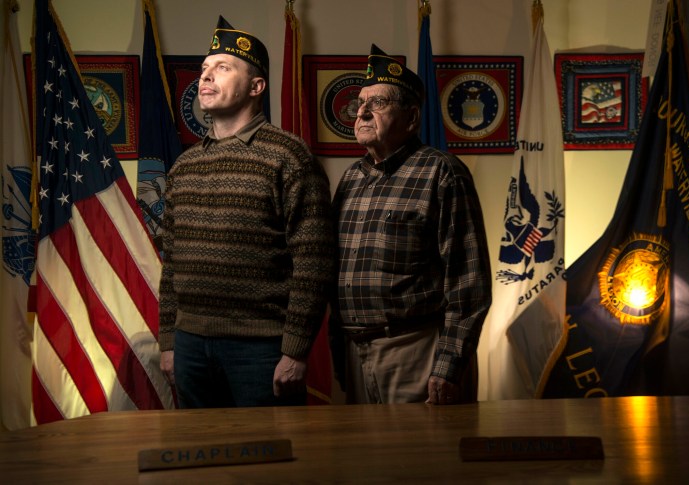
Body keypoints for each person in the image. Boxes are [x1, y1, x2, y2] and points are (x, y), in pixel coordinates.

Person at [158, 16, 335, 408]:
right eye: (205, 69)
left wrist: (296, 350)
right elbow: (171, 265)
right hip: (189, 346)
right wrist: (169, 340)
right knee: (200, 458)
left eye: (223, 68)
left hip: (262, 350)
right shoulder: (183, 167)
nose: (206, 76)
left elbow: (314, 261)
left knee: (270, 464)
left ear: (257, 86)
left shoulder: (289, 156)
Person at [330, 45, 492, 405]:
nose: (363, 112)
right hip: (354, 351)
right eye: (360, 103)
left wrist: (449, 364)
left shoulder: (442, 172)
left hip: (415, 350)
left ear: (412, 118)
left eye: (379, 103)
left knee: (422, 459)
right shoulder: (351, 178)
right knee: (366, 462)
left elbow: (469, 281)